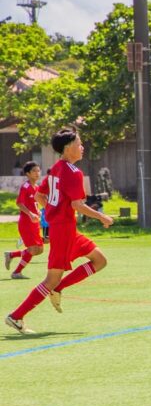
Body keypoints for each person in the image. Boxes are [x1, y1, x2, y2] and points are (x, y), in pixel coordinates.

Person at [5, 127, 113, 335]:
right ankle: (16, 316)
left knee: (100, 260)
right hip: (63, 231)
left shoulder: (57, 168)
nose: (82, 147)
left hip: (65, 229)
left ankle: (59, 288)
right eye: (79, 143)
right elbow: (77, 205)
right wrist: (102, 217)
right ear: (68, 147)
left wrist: (53, 211)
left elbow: (39, 196)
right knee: (51, 279)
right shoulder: (73, 172)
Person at [4, 162, 45, 280]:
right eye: (34, 171)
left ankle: (11, 254)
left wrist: (38, 212)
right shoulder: (25, 186)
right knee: (33, 249)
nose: (37, 173)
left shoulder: (37, 187)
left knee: (39, 250)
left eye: (38, 170)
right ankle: (16, 273)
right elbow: (19, 203)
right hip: (26, 223)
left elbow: (35, 204)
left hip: (35, 223)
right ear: (28, 174)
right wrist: (30, 214)